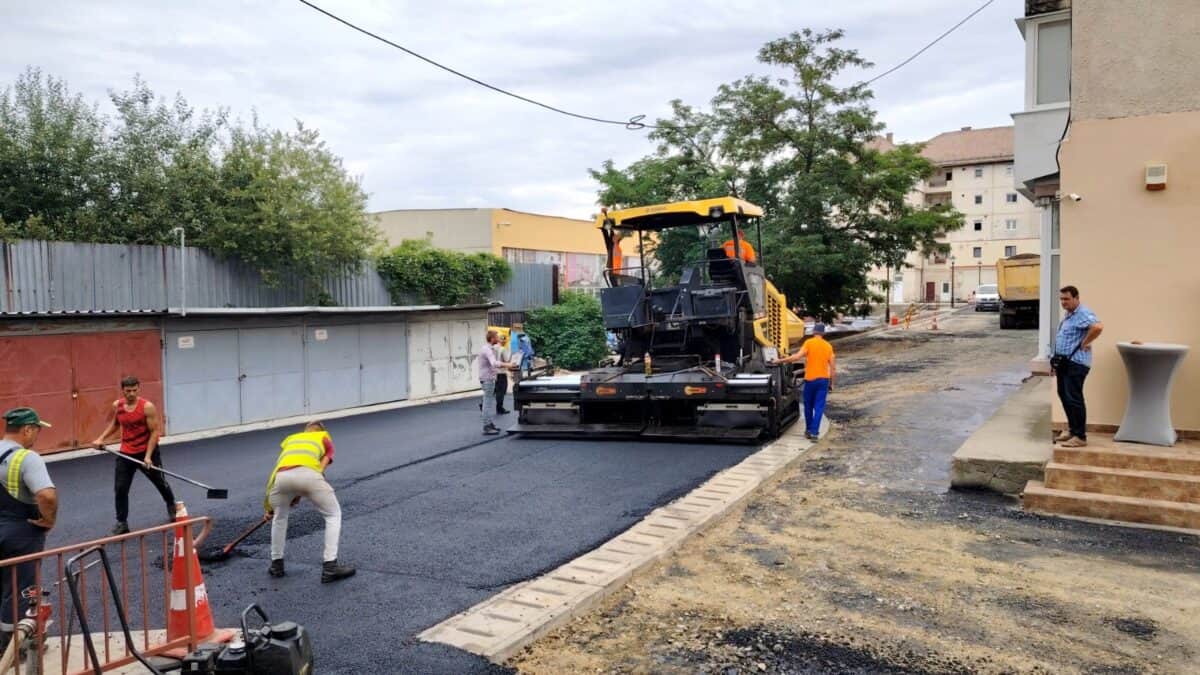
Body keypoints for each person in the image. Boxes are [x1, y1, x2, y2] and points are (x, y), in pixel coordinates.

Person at [263, 421, 355, 583]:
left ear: (305, 431)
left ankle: (276, 566)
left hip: (281, 478)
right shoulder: (323, 438)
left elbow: (277, 473)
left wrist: (270, 507)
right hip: (309, 475)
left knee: (279, 517)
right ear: (321, 431)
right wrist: (306, 487)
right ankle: (330, 567)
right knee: (333, 515)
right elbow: (319, 467)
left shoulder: (291, 440)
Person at [0, 408, 57, 654]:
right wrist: (48, 520)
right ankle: (15, 647)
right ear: (27, 429)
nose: (37, 435)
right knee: (21, 590)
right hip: (20, 534)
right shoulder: (26, 458)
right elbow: (46, 495)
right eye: (37, 430)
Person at [91, 376, 175, 535]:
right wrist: (101, 439)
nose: (131, 394)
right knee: (120, 488)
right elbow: (115, 424)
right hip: (127, 452)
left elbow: (155, 432)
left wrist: (148, 456)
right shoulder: (118, 405)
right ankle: (122, 522)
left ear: (139, 389)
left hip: (147, 451)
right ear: (123, 390)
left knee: (160, 482)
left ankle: (172, 506)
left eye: (134, 390)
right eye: (128, 391)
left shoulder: (147, 407)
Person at [1054, 285, 1103, 448]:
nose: (1063, 302)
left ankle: (1080, 436)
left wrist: (1086, 342)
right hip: (1064, 362)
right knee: (1064, 396)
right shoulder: (1069, 315)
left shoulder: (1083, 313)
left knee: (1074, 398)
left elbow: (1097, 327)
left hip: (1076, 364)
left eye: (1066, 299)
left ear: (1076, 298)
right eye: (1061, 299)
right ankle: (1072, 430)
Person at [772, 323, 836, 440]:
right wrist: (832, 383)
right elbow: (832, 368)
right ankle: (814, 432)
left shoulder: (809, 343)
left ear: (813, 332)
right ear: (823, 333)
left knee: (808, 406)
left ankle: (808, 429)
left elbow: (796, 357)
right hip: (823, 380)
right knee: (819, 407)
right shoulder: (828, 346)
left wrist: (779, 361)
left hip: (810, 380)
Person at [478, 329, 517, 435]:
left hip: (489, 378)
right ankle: (487, 426)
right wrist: (508, 365)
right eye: (496, 337)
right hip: (487, 379)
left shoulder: (489, 348)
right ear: (492, 338)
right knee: (487, 403)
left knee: (488, 402)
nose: (498, 339)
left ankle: (489, 423)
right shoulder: (487, 350)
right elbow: (494, 363)